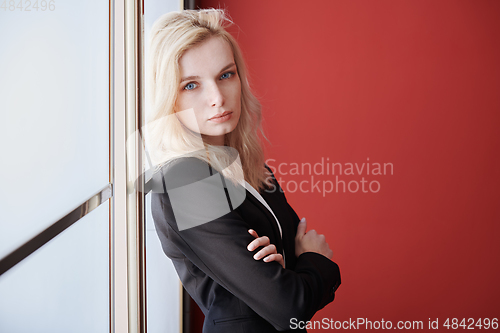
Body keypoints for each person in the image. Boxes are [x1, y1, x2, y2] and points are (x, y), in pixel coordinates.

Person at [147, 9, 341, 333]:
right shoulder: (183, 182)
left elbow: (286, 267)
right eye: (191, 85)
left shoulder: (246, 165)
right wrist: (316, 263)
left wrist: (284, 269)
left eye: (226, 75)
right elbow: (287, 304)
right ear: (168, 95)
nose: (218, 98)